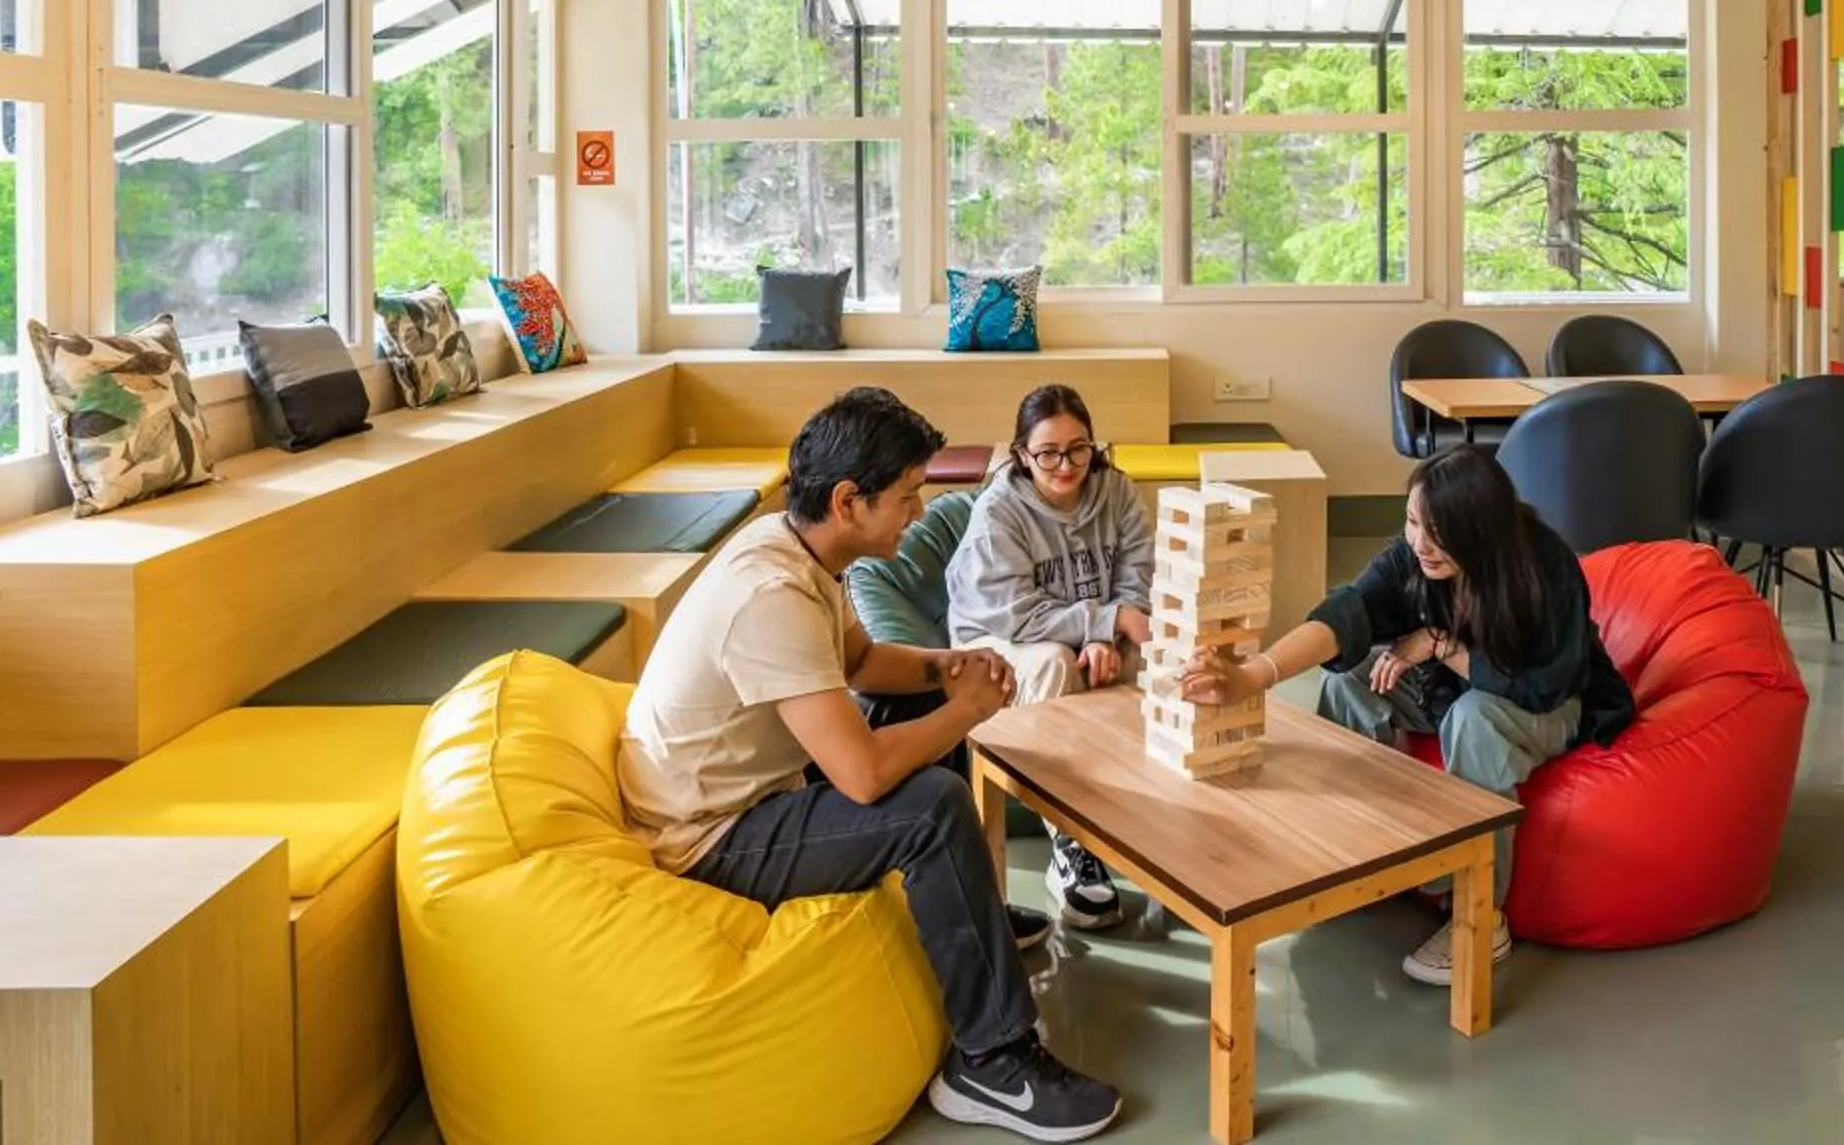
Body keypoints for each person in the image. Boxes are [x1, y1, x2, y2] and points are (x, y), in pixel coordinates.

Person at [618, 386, 1122, 1141]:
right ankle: (990, 1061)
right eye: (907, 495)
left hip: (758, 788)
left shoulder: (803, 548)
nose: (919, 511)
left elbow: (859, 662)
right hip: (709, 836)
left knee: (921, 716)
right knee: (932, 804)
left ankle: (970, 913)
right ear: (851, 500)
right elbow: (863, 777)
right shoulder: (770, 595)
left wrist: (953, 669)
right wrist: (968, 708)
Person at [1181, 443, 1635, 984]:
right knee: (1351, 681)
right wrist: (1253, 676)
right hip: (1453, 687)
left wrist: (1441, 646)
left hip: (1549, 703)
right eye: (1412, 522)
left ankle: (1481, 915)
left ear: (1480, 529)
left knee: (1476, 717)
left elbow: (1544, 687)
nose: (1420, 542)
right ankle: (1358, 852)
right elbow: (1347, 611)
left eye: (1437, 531)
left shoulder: (1545, 567)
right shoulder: (1414, 557)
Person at [943, 384, 1154, 930]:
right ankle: (1071, 844)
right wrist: (1102, 624)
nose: (1066, 465)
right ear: (1021, 455)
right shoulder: (1000, 511)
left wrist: (1107, 634)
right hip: (996, 637)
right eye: (1048, 453)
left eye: (1079, 448)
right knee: (1054, 664)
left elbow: (1138, 578)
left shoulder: (1118, 491)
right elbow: (1014, 613)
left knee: (1160, 658)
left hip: (1084, 634)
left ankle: (1153, 817)